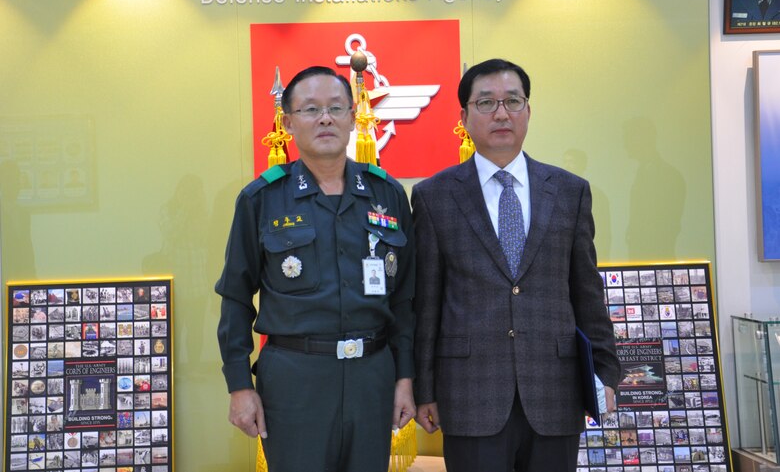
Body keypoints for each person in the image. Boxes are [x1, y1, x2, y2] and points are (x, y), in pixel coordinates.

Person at [412, 58, 620, 472]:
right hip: (470, 394)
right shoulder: (434, 196)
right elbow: (427, 302)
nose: (502, 113)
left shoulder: (569, 191)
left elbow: (586, 291)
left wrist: (604, 373)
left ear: (528, 110)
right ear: (464, 116)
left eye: (513, 101)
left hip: (555, 390)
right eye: (486, 103)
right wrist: (424, 387)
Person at [215, 66, 416, 472]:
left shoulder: (387, 194)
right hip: (295, 381)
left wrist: (405, 378)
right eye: (310, 109)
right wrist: (239, 385)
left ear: (351, 117)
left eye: (336, 108)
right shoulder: (262, 199)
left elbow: (407, 299)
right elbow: (236, 298)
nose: (325, 118)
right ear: (288, 123)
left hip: (372, 376)